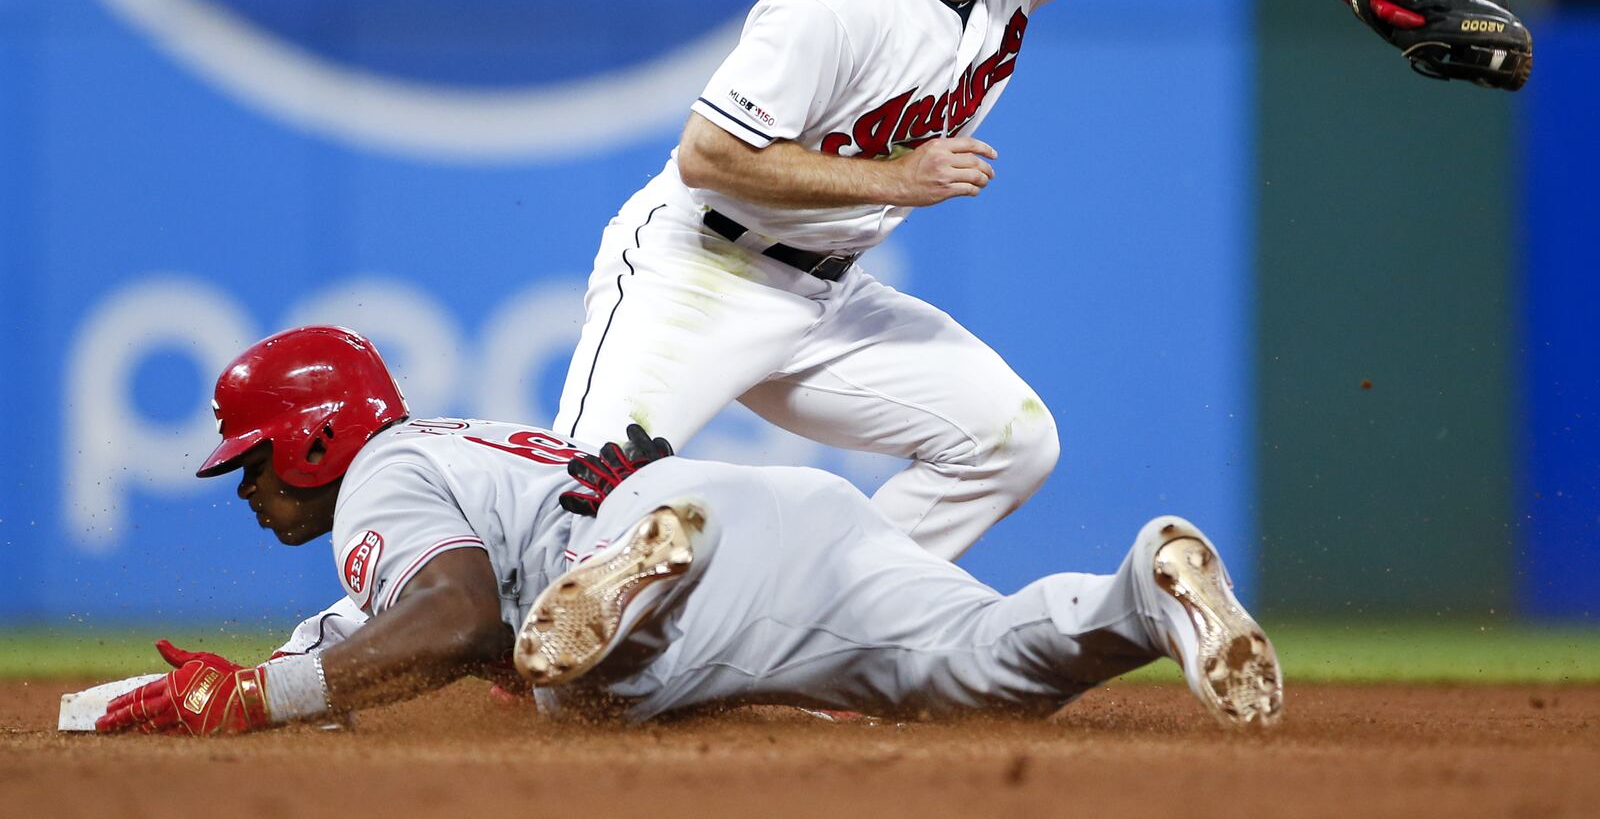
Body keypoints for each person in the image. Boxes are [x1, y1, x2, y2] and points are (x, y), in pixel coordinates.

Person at [549, 0, 1433, 560]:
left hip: (827, 297)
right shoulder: (834, 3)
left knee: (1007, 443)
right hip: (698, 273)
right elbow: (710, 155)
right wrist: (895, 181)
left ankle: (822, 636)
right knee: (575, 514)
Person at [95, 325, 1283, 735]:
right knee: (979, 672)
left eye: (251, 460)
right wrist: (265, 680)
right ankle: (1138, 590)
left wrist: (262, 699)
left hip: (654, 559)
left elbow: (454, 618)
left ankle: (630, 580)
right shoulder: (445, 457)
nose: (244, 490)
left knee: (559, 684)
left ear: (309, 438)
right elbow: (387, 630)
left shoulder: (379, 478)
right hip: (779, 513)